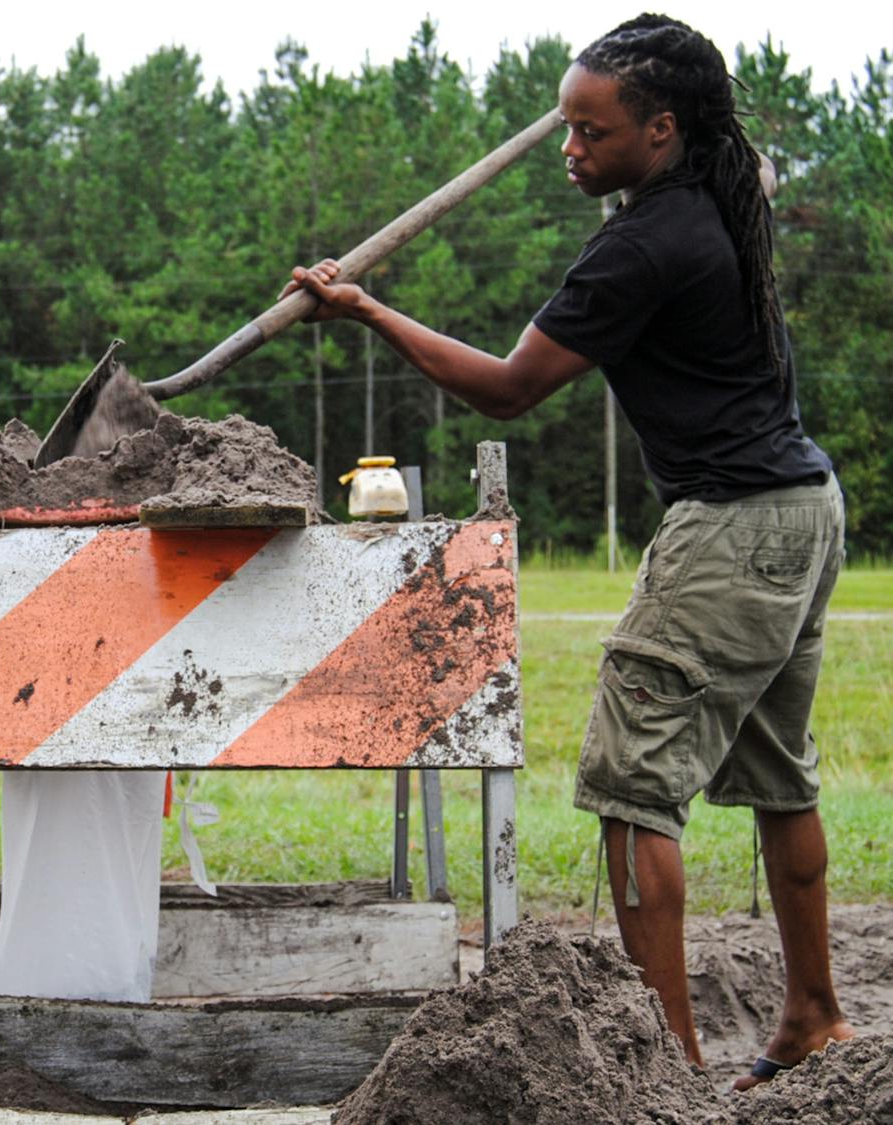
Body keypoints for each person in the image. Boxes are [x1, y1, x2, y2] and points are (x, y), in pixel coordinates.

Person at [284, 13, 852, 1091]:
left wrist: (366, 311)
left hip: (733, 523)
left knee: (632, 785)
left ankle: (669, 1076)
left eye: (593, 132)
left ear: (663, 131)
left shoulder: (642, 246)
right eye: (565, 126)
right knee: (780, 775)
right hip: (803, 510)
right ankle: (814, 1018)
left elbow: (511, 387)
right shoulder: (723, 191)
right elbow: (745, 155)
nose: (569, 150)